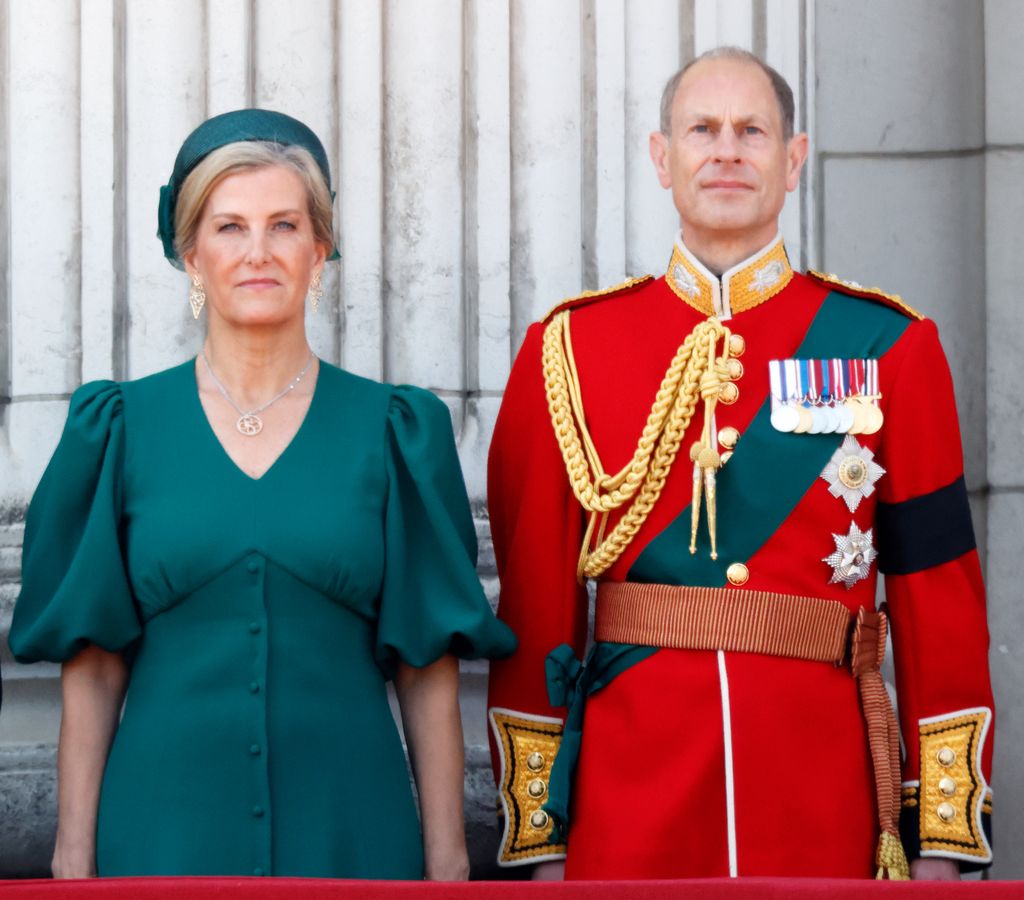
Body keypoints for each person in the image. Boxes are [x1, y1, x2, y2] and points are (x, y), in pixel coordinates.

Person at [486, 47, 994, 881]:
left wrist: (940, 835)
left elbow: (938, 595)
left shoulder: (889, 346)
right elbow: (537, 608)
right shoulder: (570, 350)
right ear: (662, 157)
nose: (726, 151)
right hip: (628, 798)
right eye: (702, 130)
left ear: (792, 160)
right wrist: (539, 836)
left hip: (820, 794)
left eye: (751, 131)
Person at [9, 108, 515, 880]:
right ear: (190, 253)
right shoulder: (119, 429)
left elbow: (426, 667)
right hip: (160, 834)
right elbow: (96, 663)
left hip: (352, 830)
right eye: (229, 227)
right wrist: (73, 857)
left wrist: (447, 863)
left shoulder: (394, 431)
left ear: (320, 250)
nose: (257, 253)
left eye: (283, 226)